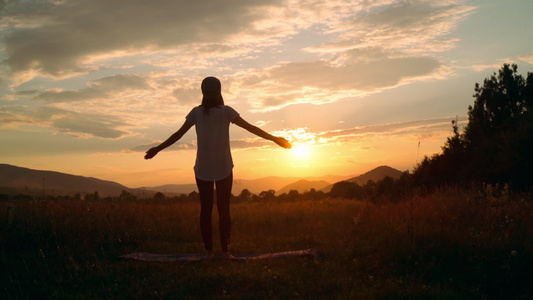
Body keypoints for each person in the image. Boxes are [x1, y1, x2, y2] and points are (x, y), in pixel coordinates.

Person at [144, 76, 291, 259]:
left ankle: (218, 252)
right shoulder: (211, 112)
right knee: (218, 210)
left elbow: (251, 128)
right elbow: (178, 135)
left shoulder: (212, 112)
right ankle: (217, 252)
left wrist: (276, 139)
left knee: (213, 210)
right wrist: (157, 149)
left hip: (213, 168)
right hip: (214, 168)